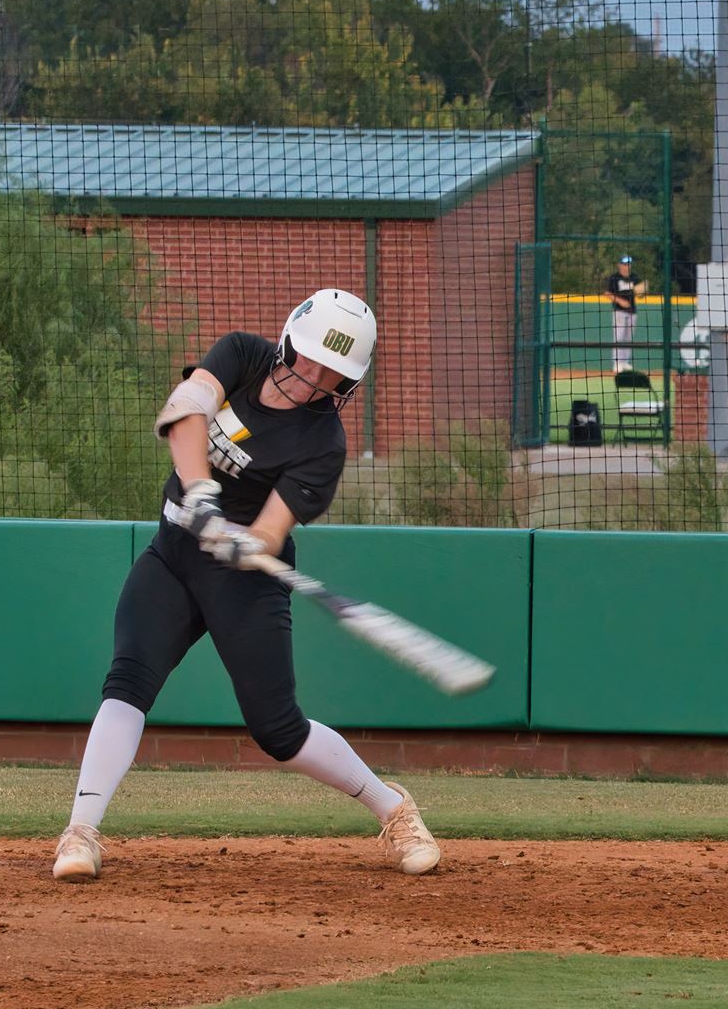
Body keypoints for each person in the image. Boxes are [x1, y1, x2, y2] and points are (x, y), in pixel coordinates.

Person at [51, 290, 441, 882]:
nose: (310, 380)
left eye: (330, 375)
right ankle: (79, 835)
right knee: (128, 680)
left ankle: (394, 808)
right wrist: (202, 493)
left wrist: (244, 540)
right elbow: (186, 411)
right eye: (306, 361)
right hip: (173, 554)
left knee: (278, 729)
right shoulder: (242, 354)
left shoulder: (322, 445)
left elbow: (270, 528)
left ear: (347, 383)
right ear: (286, 341)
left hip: (244, 583)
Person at [605, 255, 647, 373]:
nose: (627, 266)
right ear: (619, 265)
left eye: (628, 264)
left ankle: (625, 362)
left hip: (632, 312)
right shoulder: (614, 278)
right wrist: (620, 301)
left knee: (628, 339)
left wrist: (643, 291)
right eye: (624, 264)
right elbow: (607, 293)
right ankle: (617, 363)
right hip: (619, 312)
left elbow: (640, 293)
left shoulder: (635, 278)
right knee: (618, 338)